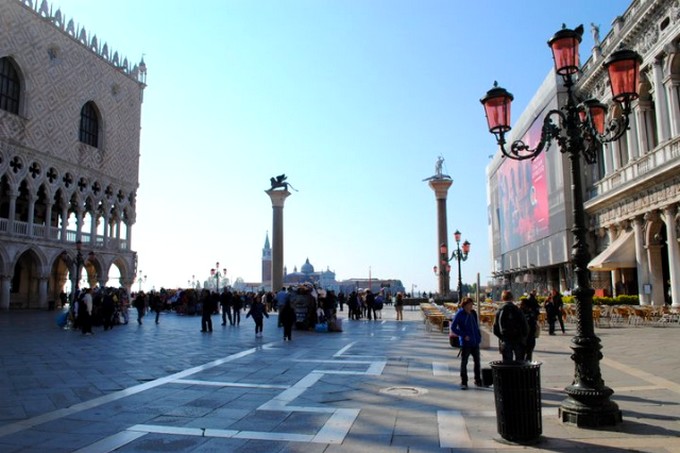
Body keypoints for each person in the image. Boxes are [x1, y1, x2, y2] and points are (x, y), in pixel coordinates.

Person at [450, 297, 482, 389]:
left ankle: (478, 379)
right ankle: (464, 381)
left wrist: (478, 336)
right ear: (465, 305)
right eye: (470, 305)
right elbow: (453, 328)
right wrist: (463, 335)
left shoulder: (473, 313)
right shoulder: (460, 314)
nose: (471, 307)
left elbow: (476, 325)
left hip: (475, 341)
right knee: (464, 362)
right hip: (466, 343)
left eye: (472, 305)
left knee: (477, 362)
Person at [493, 290, 528, 362]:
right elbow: (525, 325)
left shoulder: (500, 310)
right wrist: (523, 337)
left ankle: (508, 373)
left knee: (507, 363)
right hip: (518, 338)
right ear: (512, 298)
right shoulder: (517, 309)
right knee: (520, 362)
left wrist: (501, 337)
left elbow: (495, 328)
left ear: (502, 299)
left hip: (505, 339)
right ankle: (518, 373)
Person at [520, 295, 540, 361]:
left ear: (525, 305)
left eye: (522, 304)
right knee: (527, 356)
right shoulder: (531, 313)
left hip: (526, 338)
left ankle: (525, 369)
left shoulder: (522, 314)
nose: (520, 306)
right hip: (529, 338)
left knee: (523, 357)